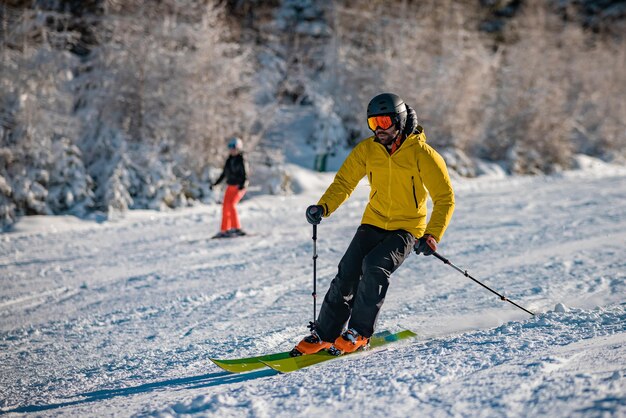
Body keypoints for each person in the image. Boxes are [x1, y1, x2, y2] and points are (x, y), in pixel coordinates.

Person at [292, 93, 455, 356]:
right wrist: (323, 207)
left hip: (407, 228)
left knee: (375, 266)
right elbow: (344, 183)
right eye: (373, 123)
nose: (378, 129)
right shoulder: (367, 150)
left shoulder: (423, 154)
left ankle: (359, 332)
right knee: (347, 272)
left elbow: (445, 198)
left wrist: (432, 235)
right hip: (374, 221)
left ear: (399, 122)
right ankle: (324, 333)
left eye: (384, 122)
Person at [211, 137, 249, 238]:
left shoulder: (241, 159)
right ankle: (225, 230)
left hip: (239, 187)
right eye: (230, 147)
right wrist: (216, 183)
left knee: (232, 205)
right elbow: (224, 174)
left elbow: (245, 174)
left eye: (233, 147)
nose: (231, 149)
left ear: (238, 148)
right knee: (225, 207)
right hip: (230, 186)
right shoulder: (229, 159)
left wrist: (243, 184)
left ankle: (236, 228)